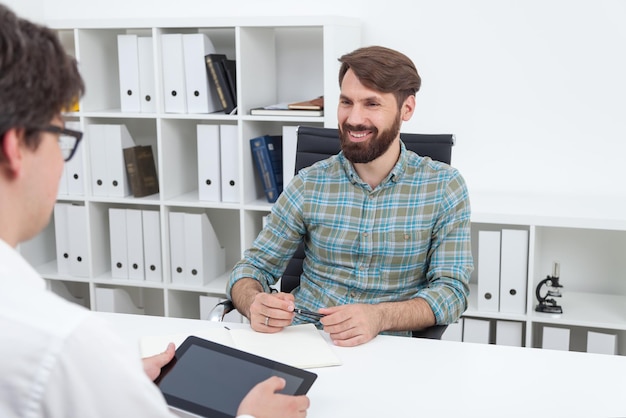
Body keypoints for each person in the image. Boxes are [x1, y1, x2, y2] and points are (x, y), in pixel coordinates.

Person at [0, 5, 309, 418]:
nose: (63, 160)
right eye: (61, 135)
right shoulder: (61, 345)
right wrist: (249, 414)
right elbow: (252, 267)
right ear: (16, 147)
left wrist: (113, 382)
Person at [228, 45, 473, 347]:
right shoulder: (309, 183)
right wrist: (254, 301)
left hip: (389, 348)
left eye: (371, 104)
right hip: (306, 340)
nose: (354, 118)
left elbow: (452, 291)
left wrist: (379, 317)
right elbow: (252, 268)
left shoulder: (443, 186)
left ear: (406, 109)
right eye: (346, 102)